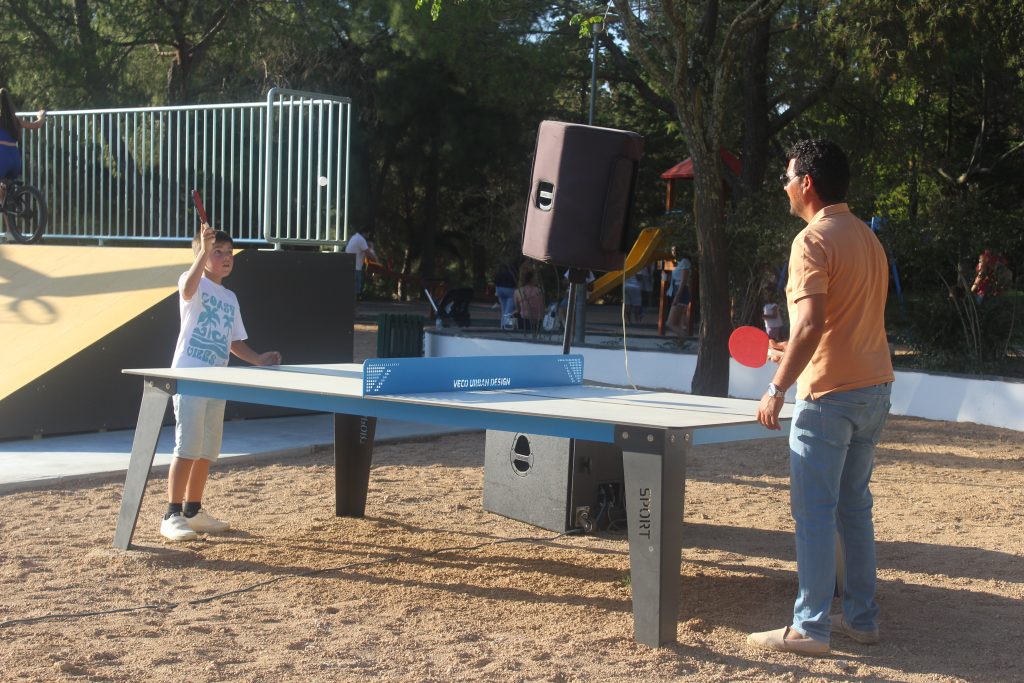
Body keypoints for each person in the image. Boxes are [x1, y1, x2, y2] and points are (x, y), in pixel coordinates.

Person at [748, 139, 894, 656]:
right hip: (874, 389)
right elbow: (839, 324)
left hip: (829, 396)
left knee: (813, 513)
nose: (784, 187)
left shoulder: (810, 240)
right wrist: (789, 352)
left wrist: (776, 387)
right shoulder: (868, 238)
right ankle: (862, 618)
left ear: (807, 183)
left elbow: (811, 324)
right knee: (854, 510)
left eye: (787, 178)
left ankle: (809, 627)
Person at [161, 224, 282, 542]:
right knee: (187, 448)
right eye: (218, 252)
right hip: (190, 378)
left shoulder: (230, 297)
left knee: (207, 451)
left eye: (230, 253)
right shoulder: (192, 282)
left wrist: (258, 359)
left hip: (218, 380)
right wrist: (203, 251)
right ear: (202, 254)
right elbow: (187, 290)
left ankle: (193, 511)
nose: (227, 257)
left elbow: (233, 341)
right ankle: (171, 514)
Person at [0, 88, 46, 203]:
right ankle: (6, 211)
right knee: (4, 191)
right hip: (15, 159)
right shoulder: (14, 120)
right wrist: (41, 116)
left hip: (2, 158)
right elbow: (36, 125)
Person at [345, 228, 378, 298]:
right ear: (364, 233)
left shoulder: (354, 237)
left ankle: (353, 301)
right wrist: (377, 262)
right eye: (368, 234)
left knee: (351, 289)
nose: (368, 236)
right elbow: (369, 255)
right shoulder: (361, 240)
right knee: (355, 290)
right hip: (356, 268)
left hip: (349, 266)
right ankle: (355, 302)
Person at [514, 267, 545, 333]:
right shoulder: (539, 291)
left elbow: (518, 309)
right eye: (535, 278)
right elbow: (541, 307)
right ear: (531, 279)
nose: (537, 279)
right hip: (537, 319)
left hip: (524, 319)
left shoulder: (518, 291)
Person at [493, 260, 518, 329]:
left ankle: (502, 326)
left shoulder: (499, 273)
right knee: (508, 310)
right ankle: (506, 326)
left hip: (499, 289)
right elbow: (515, 282)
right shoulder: (512, 273)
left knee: (503, 309)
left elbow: (495, 282)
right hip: (510, 290)